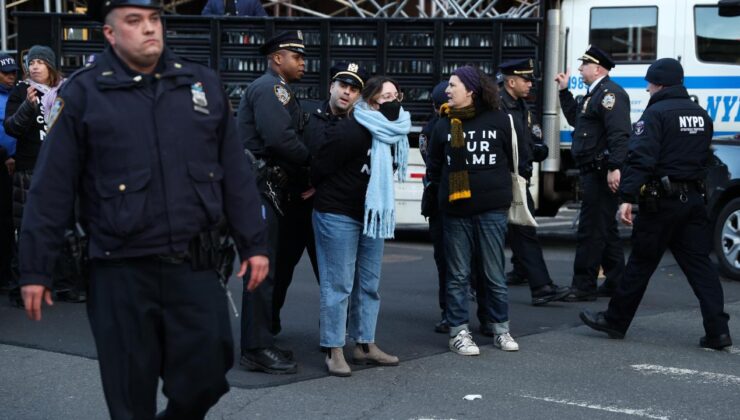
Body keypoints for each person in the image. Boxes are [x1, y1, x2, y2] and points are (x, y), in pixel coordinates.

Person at [18, 1, 269, 418]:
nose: (149, 29)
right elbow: (51, 189)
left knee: (208, 373)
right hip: (120, 271)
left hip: (194, 265)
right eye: (134, 21)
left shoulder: (200, 84)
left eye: (154, 19)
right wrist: (35, 269)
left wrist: (254, 243)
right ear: (111, 34)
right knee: (130, 396)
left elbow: (235, 173)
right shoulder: (84, 93)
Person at [580, 58, 732, 350]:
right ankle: (718, 331)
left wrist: (625, 197)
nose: (648, 89)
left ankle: (615, 320)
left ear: (659, 83)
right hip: (694, 201)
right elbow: (706, 159)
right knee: (701, 268)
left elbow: (641, 159)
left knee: (639, 264)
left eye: (649, 83)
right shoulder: (701, 115)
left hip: (661, 204)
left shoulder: (655, 115)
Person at [311, 76, 409, 376]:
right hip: (338, 213)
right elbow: (319, 165)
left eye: (396, 95)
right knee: (338, 284)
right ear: (370, 102)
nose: (393, 103)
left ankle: (364, 344)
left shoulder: (395, 133)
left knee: (368, 284)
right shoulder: (351, 130)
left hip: (370, 216)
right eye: (386, 97)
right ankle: (333, 349)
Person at [428, 66, 522, 356]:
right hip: (455, 211)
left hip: (492, 209)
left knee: (493, 273)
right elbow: (434, 165)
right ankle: (458, 332)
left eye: (453, 85)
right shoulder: (443, 123)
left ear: (470, 90)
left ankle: (500, 330)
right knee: (457, 275)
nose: (447, 90)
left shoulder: (500, 119)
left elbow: (516, 158)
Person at [237, 30, 309, 375]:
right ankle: (255, 348)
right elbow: (280, 138)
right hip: (259, 188)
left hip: (266, 187)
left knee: (268, 268)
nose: (303, 64)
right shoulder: (270, 89)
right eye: (297, 57)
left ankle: (261, 340)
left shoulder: (275, 89)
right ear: (277, 57)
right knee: (261, 270)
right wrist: (313, 163)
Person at [555, 45, 630, 302]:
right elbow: (578, 119)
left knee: (590, 230)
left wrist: (614, 167)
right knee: (605, 228)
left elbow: (619, 134)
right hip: (592, 170)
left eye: (583, 65)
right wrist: (565, 92)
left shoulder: (611, 94)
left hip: (600, 171)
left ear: (597, 68)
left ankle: (584, 285)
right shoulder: (593, 94)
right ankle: (617, 281)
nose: (579, 69)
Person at [3, 45, 76, 305]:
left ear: (51, 67)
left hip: (59, 170)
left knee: (63, 229)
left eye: (40, 62)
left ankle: (66, 285)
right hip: (28, 168)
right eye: (31, 62)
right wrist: (27, 106)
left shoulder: (66, 92)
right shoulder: (21, 91)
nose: (34, 66)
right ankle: (20, 288)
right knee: (26, 229)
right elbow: (11, 127)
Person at [499, 58, 570, 306]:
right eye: (525, 79)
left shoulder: (519, 105)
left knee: (517, 231)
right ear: (510, 82)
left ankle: (521, 272)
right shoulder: (498, 107)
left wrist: (537, 149)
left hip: (519, 178)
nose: (530, 84)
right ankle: (541, 287)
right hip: (506, 181)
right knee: (524, 231)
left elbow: (528, 138)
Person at [0, 53, 17, 292]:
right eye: (6, 73)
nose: (11, 77)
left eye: (14, 72)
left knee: (12, 221)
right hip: (2, 164)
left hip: (19, 165)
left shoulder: (20, 95)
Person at [201, 0, 268, 16]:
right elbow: (204, 15)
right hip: (219, 39)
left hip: (245, 41)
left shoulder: (252, 1)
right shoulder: (214, 1)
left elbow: (264, 20)